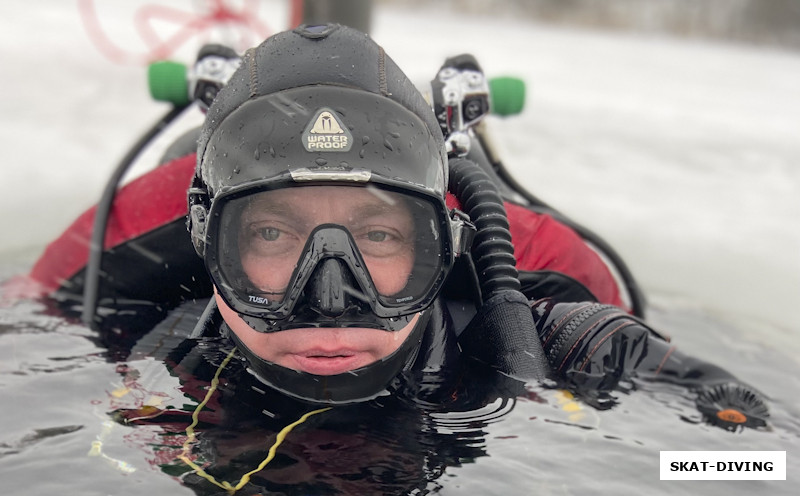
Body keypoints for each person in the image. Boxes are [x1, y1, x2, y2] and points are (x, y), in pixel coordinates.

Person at [21, 23, 766, 493]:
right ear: (209, 246)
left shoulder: (513, 352)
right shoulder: (147, 358)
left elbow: (759, 471)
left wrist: (715, 436)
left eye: (378, 238)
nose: (331, 299)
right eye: (273, 237)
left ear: (441, 248)